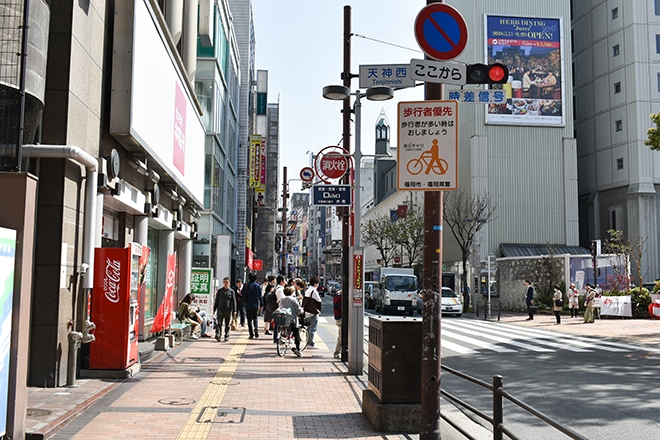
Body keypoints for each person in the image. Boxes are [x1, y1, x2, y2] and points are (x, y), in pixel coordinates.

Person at [280, 286, 302, 357]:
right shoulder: (294, 300)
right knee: (296, 334)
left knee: (286, 330)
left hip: (284, 319)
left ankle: (283, 340)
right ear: (291, 293)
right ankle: (298, 349)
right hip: (292, 320)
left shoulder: (282, 299)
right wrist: (301, 312)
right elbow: (298, 310)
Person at [213, 277, 236, 342]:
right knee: (219, 323)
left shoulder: (232, 292)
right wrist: (214, 309)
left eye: (227, 282)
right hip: (220, 309)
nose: (225, 284)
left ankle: (226, 336)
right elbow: (217, 300)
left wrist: (234, 310)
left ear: (229, 283)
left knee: (227, 324)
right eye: (224, 282)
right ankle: (218, 335)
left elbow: (234, 301)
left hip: (228, 310)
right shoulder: (220, 291)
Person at [302, 276, 322, 347]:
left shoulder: (307, 290)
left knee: (308, 327)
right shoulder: (314, 291)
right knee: (313, 328)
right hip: (313, 311)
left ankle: (308, 342)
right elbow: (319, 300)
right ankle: (311, 343)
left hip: (307, 311)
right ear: (315, 284)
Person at [244, 272, 264, 339]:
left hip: (248, 304)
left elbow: (242, 292)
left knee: (249, 320)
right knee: (255, 317)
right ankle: (256, 328)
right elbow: (260, 296)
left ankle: (251, 334)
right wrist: (262, 304)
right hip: (255, 304)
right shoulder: (258, 285)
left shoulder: (246, 285)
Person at [271, 275, 287, 343]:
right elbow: (282, 300)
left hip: (279, 308)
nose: (285, 282)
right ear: (281, 281)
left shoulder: (278, 288)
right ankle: (277, 339)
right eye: (284, 280)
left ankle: (277, 339)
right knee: (279, 325)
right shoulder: (280, 290)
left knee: (278, 324)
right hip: (280, 308)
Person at [333, 288, 342, 359]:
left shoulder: (338, 295)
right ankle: (337, 352)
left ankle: (337, 352)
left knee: (341, 336)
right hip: (341, 318)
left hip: (338, 318)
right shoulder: (340, 296)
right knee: (341, 336)